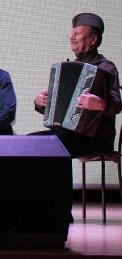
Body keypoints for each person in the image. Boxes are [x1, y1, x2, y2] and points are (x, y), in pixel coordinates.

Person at [32, 13, 121, 156]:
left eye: (77, 33)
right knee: (29, 142)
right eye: (71, 33)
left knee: (47, 144)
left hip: (96, 137)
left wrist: (101, 104)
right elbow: (60, 110)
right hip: (69, 134)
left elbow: (117, 105)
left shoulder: (106, 67)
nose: (71, 36)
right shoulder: (69, 69)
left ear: (93, 39)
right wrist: (41, 102)